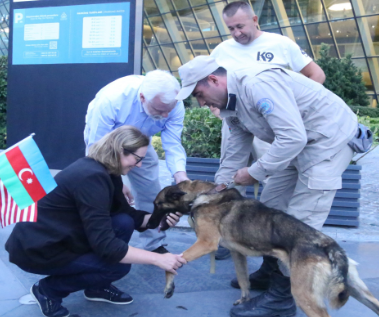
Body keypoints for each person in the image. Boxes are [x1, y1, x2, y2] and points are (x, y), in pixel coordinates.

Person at [176, 56, 357, 317]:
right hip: (296, 143)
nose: (201, 103)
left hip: (327, 141)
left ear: (214, 80)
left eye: (199, 94)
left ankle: (282, 300)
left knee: (299, 222)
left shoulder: (257, 84)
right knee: (268, 210)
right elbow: (235, 149)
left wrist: (254, 172)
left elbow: (293, 137)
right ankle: (272, 272)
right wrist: (218, 189)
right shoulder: (230, 102)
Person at [5, 126, 187, 317]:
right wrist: (158, 258)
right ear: (119, 151)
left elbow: (127, 215)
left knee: (123, 222)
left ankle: (96, 287)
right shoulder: (91, 178)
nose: (139, 165)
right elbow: (107, 246)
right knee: (118, 266)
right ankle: (47, 290)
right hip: (39, 249)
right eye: (138, 159)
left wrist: (159, 219)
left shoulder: (108, 171)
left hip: (64, 236)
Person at [210, 1, 326, 261]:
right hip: (237, 123)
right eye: (231, 29)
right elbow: (211, 86)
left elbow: (316, 75)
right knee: (229, 174)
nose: (236, 33)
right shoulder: (221, 51)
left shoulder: (280, 44)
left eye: (240, 26)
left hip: (273, 125)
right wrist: (215, 109)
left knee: (272, 176)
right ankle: (228, 235)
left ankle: (267, 241)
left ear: (254, 20)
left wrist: (290, 111)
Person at [84, 70, 190, 254]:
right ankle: (100, 239)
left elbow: (173, 144)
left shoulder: (174, 104)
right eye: (159, 110)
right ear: (142, 97)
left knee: (150, 188)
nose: (166, 115)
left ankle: (154, 242)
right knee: (103, 190)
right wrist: (116, 180)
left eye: (169, 110)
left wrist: (181, 176)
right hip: (107, 142)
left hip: (142, 140)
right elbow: (96, 148)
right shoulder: (112, 100)